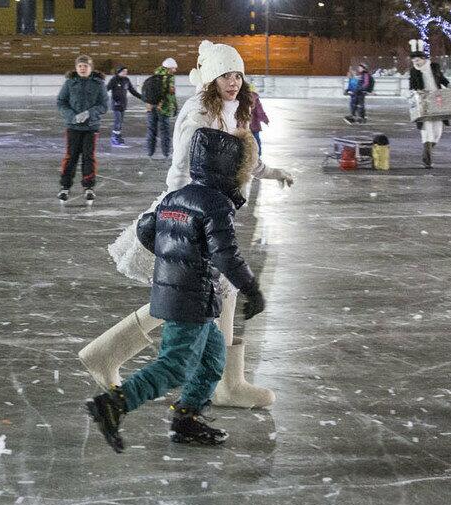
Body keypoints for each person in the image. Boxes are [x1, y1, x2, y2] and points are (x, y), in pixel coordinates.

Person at [82, 40, 294, 409]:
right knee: (194, 296)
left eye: (238, 74)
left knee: (198, 297)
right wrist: (182, 219)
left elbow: (242, 161)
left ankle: (111, 355)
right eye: (225, 74)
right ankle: (222, 384)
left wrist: (273, 173)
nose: (233, 81)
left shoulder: (234, 111)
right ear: (211, 78)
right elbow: (180, 170)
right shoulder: (198, 113)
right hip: (188, 216)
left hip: (213, 213)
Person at [86, 127, 267, 452]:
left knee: (213, 358)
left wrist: (177, 261)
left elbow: (148, 230)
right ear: (231, 167)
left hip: (177, 292)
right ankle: (112, 405)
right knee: (176, 364)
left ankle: (186, 417)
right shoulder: (216, 205)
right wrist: (251, 288)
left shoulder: (175, 198)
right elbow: (226, 254)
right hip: (191, 299)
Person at [56, 55, 108, 204]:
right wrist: (72, 116)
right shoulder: (69, 83)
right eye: (80, 66)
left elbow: (104, 105)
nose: (82, 68)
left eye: (85, 66)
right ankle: (65, 187)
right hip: (73, 127)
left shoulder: (98, 84)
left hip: (91, 127)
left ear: (91, 68)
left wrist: (89, 113)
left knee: (88, 157)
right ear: (76, 68)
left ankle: (89, 187)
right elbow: (61, 102)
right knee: (71, 156)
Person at [408, 40, 451, 168]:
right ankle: (427, 159)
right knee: (427, 131)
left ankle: (427, 151)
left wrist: (450, 86)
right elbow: (412, 86)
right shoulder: (414, 71)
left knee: (437, 132)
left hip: (437, 101)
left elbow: (442, 79)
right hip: (424, 103)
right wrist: (415, 93)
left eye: (417, 60)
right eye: (413, 61)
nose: (415, 63)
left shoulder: (434, 67)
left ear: (423, 58)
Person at [143, 57, 178, 159]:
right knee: (165, 131)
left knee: (151, 130)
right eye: (173, 68)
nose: (175, 70)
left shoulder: (154, 75)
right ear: (169, 68)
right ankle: (166, 153)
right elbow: (170, 95)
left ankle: (150, 152)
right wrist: (174, 106)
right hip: (163, 108)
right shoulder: (169, 78)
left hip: (150, 106)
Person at [106, 65, 142, 148]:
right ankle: (114, 138)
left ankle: (117, 136)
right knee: (117, 121)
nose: (125, 73)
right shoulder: (114, 80)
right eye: (123, 71)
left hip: (123, 104)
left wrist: (142, 97)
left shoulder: (126, 80)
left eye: (126, 71)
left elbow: (132, 91)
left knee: (120, 122)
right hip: (116, 104)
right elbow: (106, 89)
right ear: (119, 72)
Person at [249, 90, 269, 156]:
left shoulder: (239, 97)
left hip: (241, 125)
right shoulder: (255, 98)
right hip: (254, 125)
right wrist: (265, 119)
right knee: (256, 141)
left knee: (243, 142)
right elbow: (259, 111)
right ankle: (258, 156)